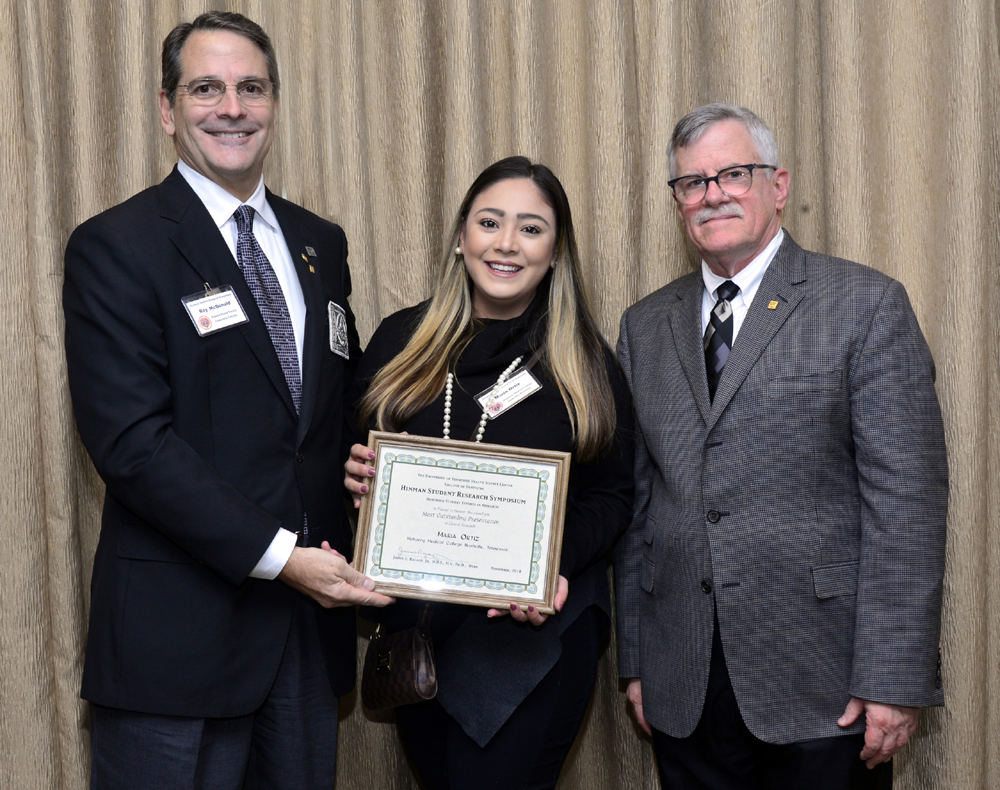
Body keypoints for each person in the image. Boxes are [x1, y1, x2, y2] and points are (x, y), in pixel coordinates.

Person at [62, 11, 391, 789]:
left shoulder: (320, 242)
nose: (233, 109)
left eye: (252, 88)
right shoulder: (117, 245)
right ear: (167, 109)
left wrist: (369, 468)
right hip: (178, 644)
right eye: (206, 89)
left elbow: (324, 413)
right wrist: (283, 559)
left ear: (275, 102)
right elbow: (132, 445)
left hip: (305, 639)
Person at [615, 104, 948, 789]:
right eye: (693, 182)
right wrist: (638, 660)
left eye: (734, 174)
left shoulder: (864, 304)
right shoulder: (644, 326)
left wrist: (893, 677)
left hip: (825, 683)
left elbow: (906, 507)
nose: (713, 194)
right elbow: (637, 508)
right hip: (684, 682)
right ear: (678, 202)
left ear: (779, 185)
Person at [343, 156, 634, 789]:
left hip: (534, 644)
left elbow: (613, 494)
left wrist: (552, 568)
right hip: (421, 641)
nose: (506, 243)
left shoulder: (583, 361)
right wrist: (357, 480)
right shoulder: (399, 341)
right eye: (489, 222)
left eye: (531, 228)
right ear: (460, 237)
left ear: (555, 253)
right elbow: (351, 463)